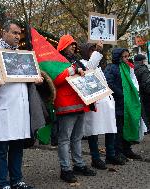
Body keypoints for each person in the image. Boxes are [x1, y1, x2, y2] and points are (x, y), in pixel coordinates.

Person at [0, 20, 43, 189]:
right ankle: (3, 183)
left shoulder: (22, 55)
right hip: (4, 109)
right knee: (0, 149)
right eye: (14, 32)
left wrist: (35, 79)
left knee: (17, 147)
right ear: (3, 33)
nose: (17, 36)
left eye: (19, 33)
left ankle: (17, 180)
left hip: (20, 109)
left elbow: (27, 78)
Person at [55, 34, 96, 183]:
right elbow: (56, 79)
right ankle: (65, 169)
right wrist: (72, 70)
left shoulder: (76, 61)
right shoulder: (56, 60)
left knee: (77, 137)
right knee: (65, 139)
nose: (73, 46)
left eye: (74, 44)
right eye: (70, 44)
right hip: (66, 105)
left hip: (80, 103)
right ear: (63, 46)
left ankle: (78, 165)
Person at [80, 42, 125, 170]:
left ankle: (110, 155)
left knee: (110, 129)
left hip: (106, 102)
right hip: (95, 103)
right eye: (91, 50)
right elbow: (88, 69)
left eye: (94, 50)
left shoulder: (98, 65)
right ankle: (95, 158)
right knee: (93, 131)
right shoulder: (82, 63)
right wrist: (98, 51)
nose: (94, 53)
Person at [104, 48, 143, 161]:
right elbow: (109, 83)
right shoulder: (111, 68)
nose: (127, 59)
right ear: (118, 57)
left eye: (127, 56)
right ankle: (118, 152)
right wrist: (122, 94)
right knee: (119, 129)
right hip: (118, 103)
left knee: (128, 126)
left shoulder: (127, 67)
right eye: (124, 57)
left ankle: (127, 149)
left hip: (127, 103)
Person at [133, 54, 150, 132]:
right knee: (147, 111)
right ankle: (147, 128)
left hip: (137, 93)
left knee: (141, 111)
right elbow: (146, 83)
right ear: (142, 61)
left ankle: (143, 128)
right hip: (145, 94)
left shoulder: (132, 68)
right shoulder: (143, 69)